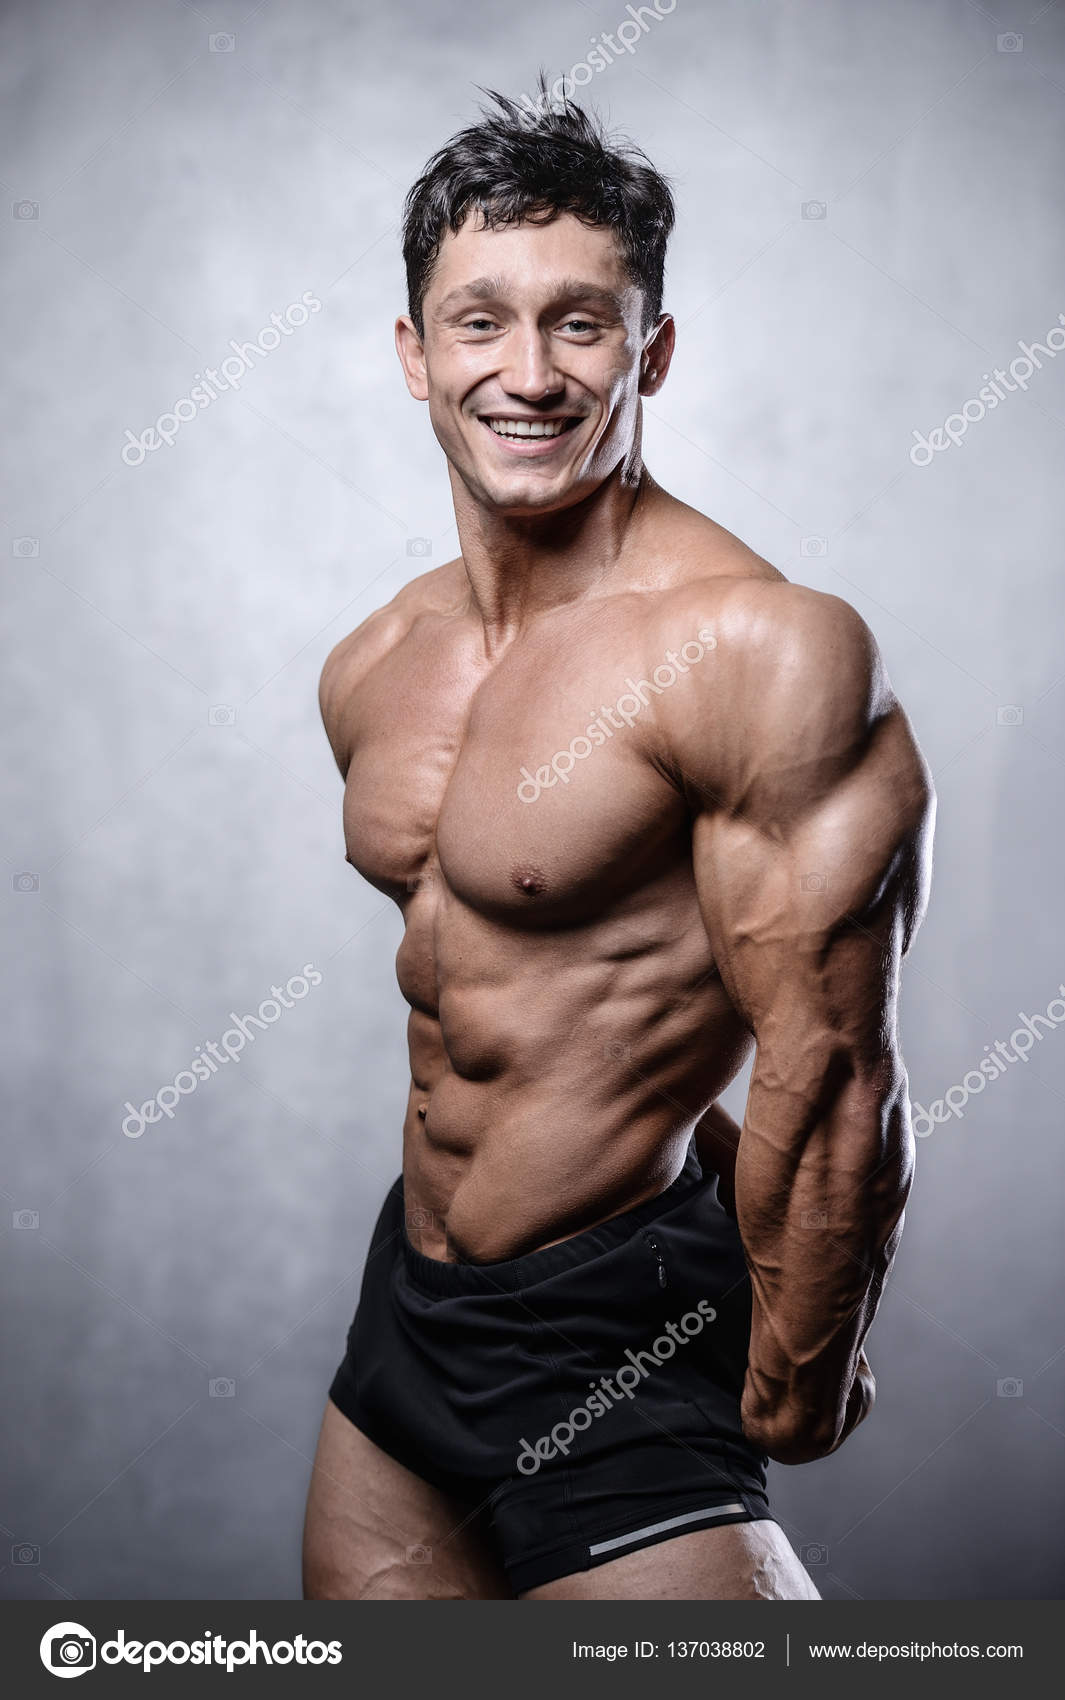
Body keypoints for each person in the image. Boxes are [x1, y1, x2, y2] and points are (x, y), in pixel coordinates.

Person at [302, 86, 935, 1601]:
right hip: (410, 1318)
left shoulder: (759, 650)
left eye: (579, 325)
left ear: (650, 350)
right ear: (414, 354)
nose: (526, 374)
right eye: (480, 323)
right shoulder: (377, 661)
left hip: (610, 1332)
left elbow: (833, 1069)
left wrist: (799, 1368)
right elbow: (512, 997)